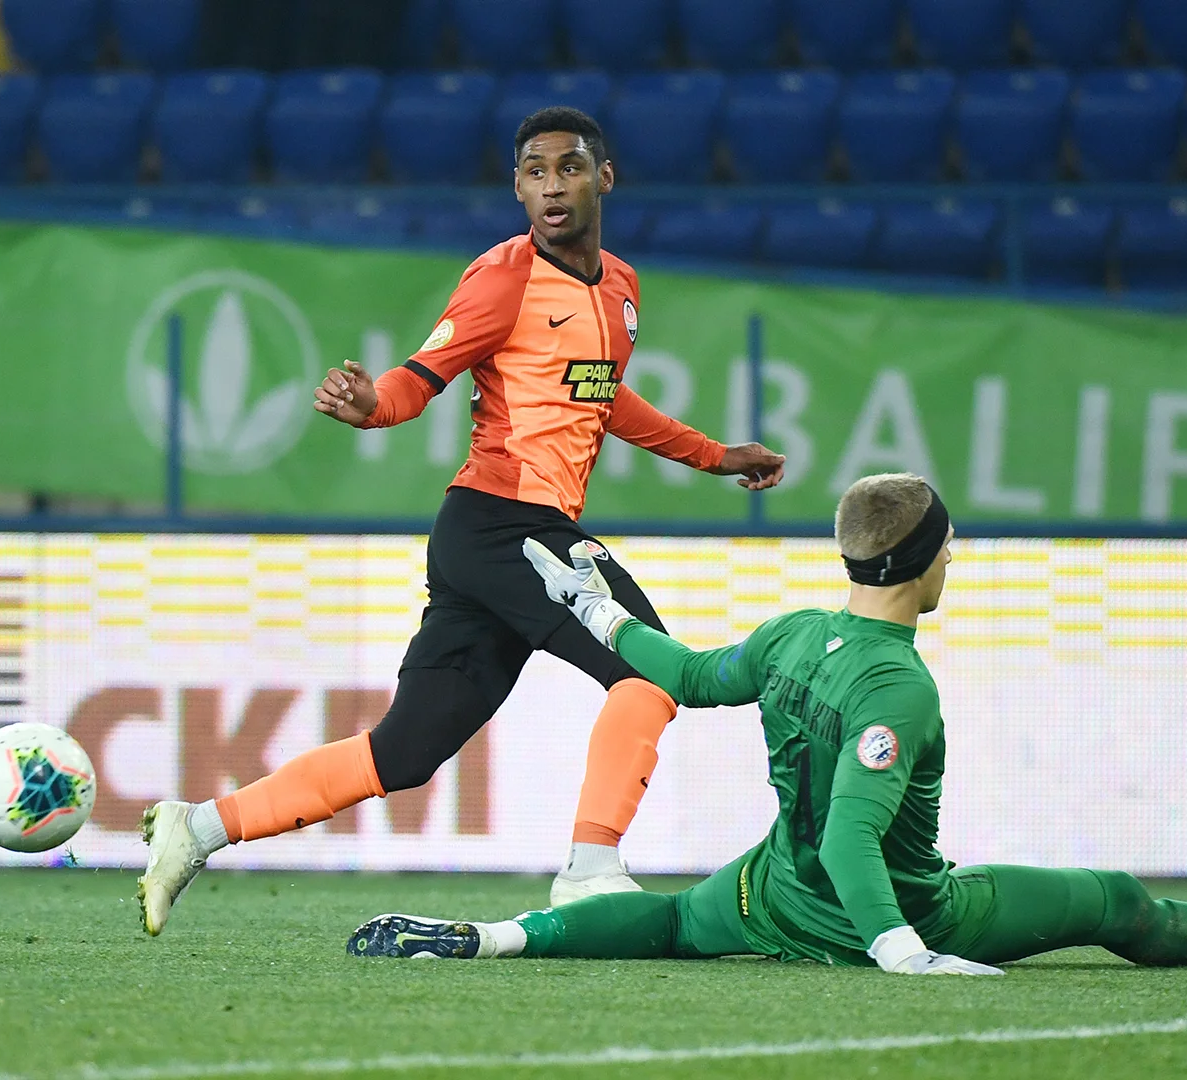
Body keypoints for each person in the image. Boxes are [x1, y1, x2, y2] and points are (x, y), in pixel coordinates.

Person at [134, 107, 787, 935]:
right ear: (517, 188)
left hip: (495, 541)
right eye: (535, 172)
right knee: (651, 673)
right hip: (507, 526)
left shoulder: (620, 288)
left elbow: (602, 396)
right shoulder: (503, 277)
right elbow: (422, 374)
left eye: (569, 168)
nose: (552, 186)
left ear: (603, 178)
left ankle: (196, 829)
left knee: (404, 753)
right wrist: (374, 405)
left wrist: (714, 455)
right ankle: (591, 870)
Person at [347, 473, 1187, 973]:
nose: (952, 558)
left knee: (669, 921)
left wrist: (600, 613)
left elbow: (691, 676)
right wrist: (902, 949)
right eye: (948, 547)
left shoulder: (794, 634)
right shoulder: (898, 688)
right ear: (921, 562)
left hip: (770, 892)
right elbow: (851, 837)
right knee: (1111, 900)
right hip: (902, 908)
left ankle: (486, 937)